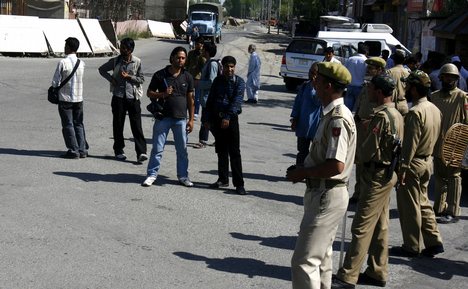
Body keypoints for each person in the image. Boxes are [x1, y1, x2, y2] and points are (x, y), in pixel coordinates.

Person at [286, 62, 356, 289]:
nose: (313, 83)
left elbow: (336, 165)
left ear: (327, 86)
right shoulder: (332, 113)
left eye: (317, 80)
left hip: (327, 193)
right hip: (324, 191)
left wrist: (303, 172)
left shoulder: (338, 118)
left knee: (304, 262)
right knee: (322, 258)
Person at [332, 75, 403, 289]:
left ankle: (348, 275)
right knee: (380, 225)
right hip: (386, 174)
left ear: (380, 92)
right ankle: (377, 271)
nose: (368, 92)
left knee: (361, 226)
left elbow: (368, 151)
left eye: (371, 88)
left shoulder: (381, 117)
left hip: (376, 176)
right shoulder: (397, 114)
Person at [391, 70, 444, 258]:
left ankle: (411, 246)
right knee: (423, 203)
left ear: (413, 89)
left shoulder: (415, 112)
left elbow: (409, 145)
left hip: (413, 163)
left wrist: (402, 168)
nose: (404, 88)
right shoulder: (434, 108)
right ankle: (434, 241)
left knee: (409, 207)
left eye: (407, 85)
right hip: (427, 161)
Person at [142, 46, 195, 187]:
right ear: (172, 58)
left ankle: (183, 176)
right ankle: (152, 175)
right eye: (178, 57)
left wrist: (191, 120)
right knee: (157, 149)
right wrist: (163, 94)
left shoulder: (188, 76)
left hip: (181, 119)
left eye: (183, 58)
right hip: (163, 118)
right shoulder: (160, 75)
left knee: (182, 151)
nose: (181, 60)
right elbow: (149, 93)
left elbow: (190, 100)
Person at [98, 37, 147, 163]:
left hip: (133, 97)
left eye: (125, 48)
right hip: (118, 96)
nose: (122, 50)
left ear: (130, 50)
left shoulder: (137, 62)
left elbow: (141, 79)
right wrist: (111, 79)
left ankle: (141, 152)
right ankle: (119, 150)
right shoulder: (115, 61)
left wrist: (129, 77)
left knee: (136, 126)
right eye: (121, 47)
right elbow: (101, 70)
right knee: (118, 124)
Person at [431, 63, 468, 224]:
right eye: (447, 76)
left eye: (453, 77)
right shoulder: (434, 96)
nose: (449, 80)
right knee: (439, 177)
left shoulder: (462, 97)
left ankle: (453, 212)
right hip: (437, 143)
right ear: (441, 77)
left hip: (455, 143)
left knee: (454, 177)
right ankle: (438, 208)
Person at [204, 56, 246, 195]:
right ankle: (223, 179)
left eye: (232, 66)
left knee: (234, 152)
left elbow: (236, 101)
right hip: (217, 119)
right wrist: (207, 118)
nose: (230, 69)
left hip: (231, 120)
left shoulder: (239, 82)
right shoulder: (218, 80)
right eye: (227, 66)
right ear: (223, 67)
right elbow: (210, 99)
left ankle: (239, 184)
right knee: (221, 150)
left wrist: (227, 117)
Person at [351, 57, 387, 203]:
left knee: (370, 163)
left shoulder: (384, 87)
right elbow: (359, 104)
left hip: (374, 129)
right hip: (361, 128)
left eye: (371, 68)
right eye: (368, 67)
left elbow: (388, 108)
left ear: (379, 70)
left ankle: (367, 194)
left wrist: (372, 123)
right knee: (359, 161)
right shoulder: (367, 85)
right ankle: (358, 192)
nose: (368, 70)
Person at [51, 37, 87, 159]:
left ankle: (73, 150)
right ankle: (82, 150)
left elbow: (55, 82)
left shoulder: (62, 62)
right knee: (79, 124)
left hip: (65, 98)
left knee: (68, 124)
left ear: (69, 47)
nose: (64, 47)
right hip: (78, 98)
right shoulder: (81, 63)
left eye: (65, 45)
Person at [290, 62, 321, 166]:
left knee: (316, 152)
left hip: (316, 126)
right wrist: (294, 118)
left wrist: (316, 87)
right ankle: (299, 171)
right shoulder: (304, 86)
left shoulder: (322, 89)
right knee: (302, 151)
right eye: (311, 72)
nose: (313, 75)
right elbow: (297, 103)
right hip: (303, 124)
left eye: (315, 73)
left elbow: (317, 102)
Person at [193, 42, 219, 149]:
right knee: (209, 120)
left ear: (207, 52)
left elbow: (212, 82)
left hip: (209, 98)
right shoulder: (207, 62)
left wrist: (198, 83)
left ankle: (202, 141)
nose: (202, 51)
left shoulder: (212, 64)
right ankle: (220, 139)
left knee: (205, 120)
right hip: (205, 97)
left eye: (203, 50)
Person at [186, 36, 206, 119]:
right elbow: (187, 64)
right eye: (197, 44)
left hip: (198, 78)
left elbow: (204, 65)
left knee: (197, 97)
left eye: (200, 44)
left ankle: (196, 112)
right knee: (189, 96)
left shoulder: (203, 54)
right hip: (190, 77)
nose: (198, 45)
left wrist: (201, 55)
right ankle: (187, 111)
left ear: (202, 45)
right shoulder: (191, 53)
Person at [344, 42, 368, 111]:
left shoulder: (350, 59)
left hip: (350, 86)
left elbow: (345, 71)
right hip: (360, 87)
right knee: (358, 109)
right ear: (365, 52)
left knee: (347, 109)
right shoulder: (365, 61)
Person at [387, 49, 409, 115]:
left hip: (391, 104)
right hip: (403, 104)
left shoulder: (389, 72)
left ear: (394, 59)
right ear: (404, 60)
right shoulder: (408, 73)